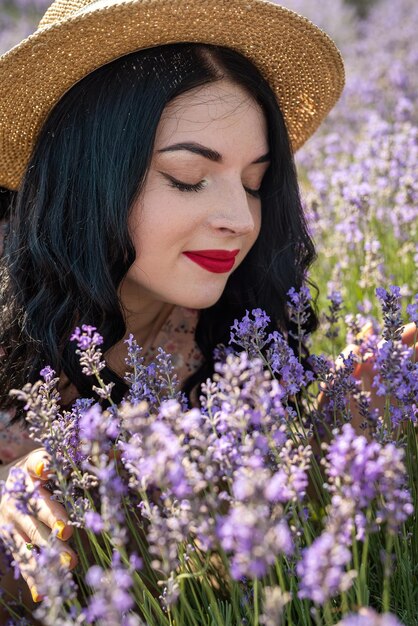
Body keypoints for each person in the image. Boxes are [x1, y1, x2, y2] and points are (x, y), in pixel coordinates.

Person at [0, 0, 411, 610]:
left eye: (253, 183)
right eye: (189, 175)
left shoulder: (237, 330)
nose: (240, 220)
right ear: (90, 177)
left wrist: (328, 437)